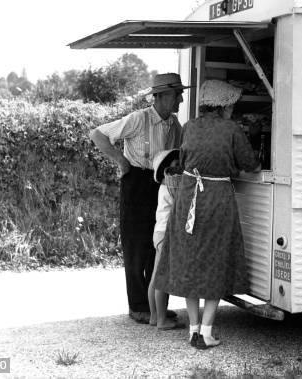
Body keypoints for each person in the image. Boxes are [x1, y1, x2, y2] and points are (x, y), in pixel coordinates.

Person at [155, 79, 260, 349]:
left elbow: (184, 158)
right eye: (231, 105)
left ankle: (192, 330)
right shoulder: (231, 129)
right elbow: (250, 164)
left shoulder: (189, 126)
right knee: (215, 259)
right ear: (224, 105)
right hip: (216, 199)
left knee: (190, 260)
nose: (232, 109)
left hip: (189, 194)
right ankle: (207, 331)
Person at [89, 73, 192, 324]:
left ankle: (154, 307)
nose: (180, 99)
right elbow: (98, 134)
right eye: (177, 94)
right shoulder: (138, 118)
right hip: (136, 183)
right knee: (136, 245)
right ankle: (138, 307)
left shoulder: (174, 125)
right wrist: (121, 162)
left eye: (180, 94)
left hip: (162, 184)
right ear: (162, 96)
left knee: (158, 244)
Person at [147, 148, 183, 330]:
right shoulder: (171, 186)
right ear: (166, 169)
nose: (180, 168)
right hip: (166, 234)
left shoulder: (163, 187)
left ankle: (154, 316)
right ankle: (161, 320)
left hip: (158, 233)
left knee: (155, 277)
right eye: (176, 165)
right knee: (162, 278)